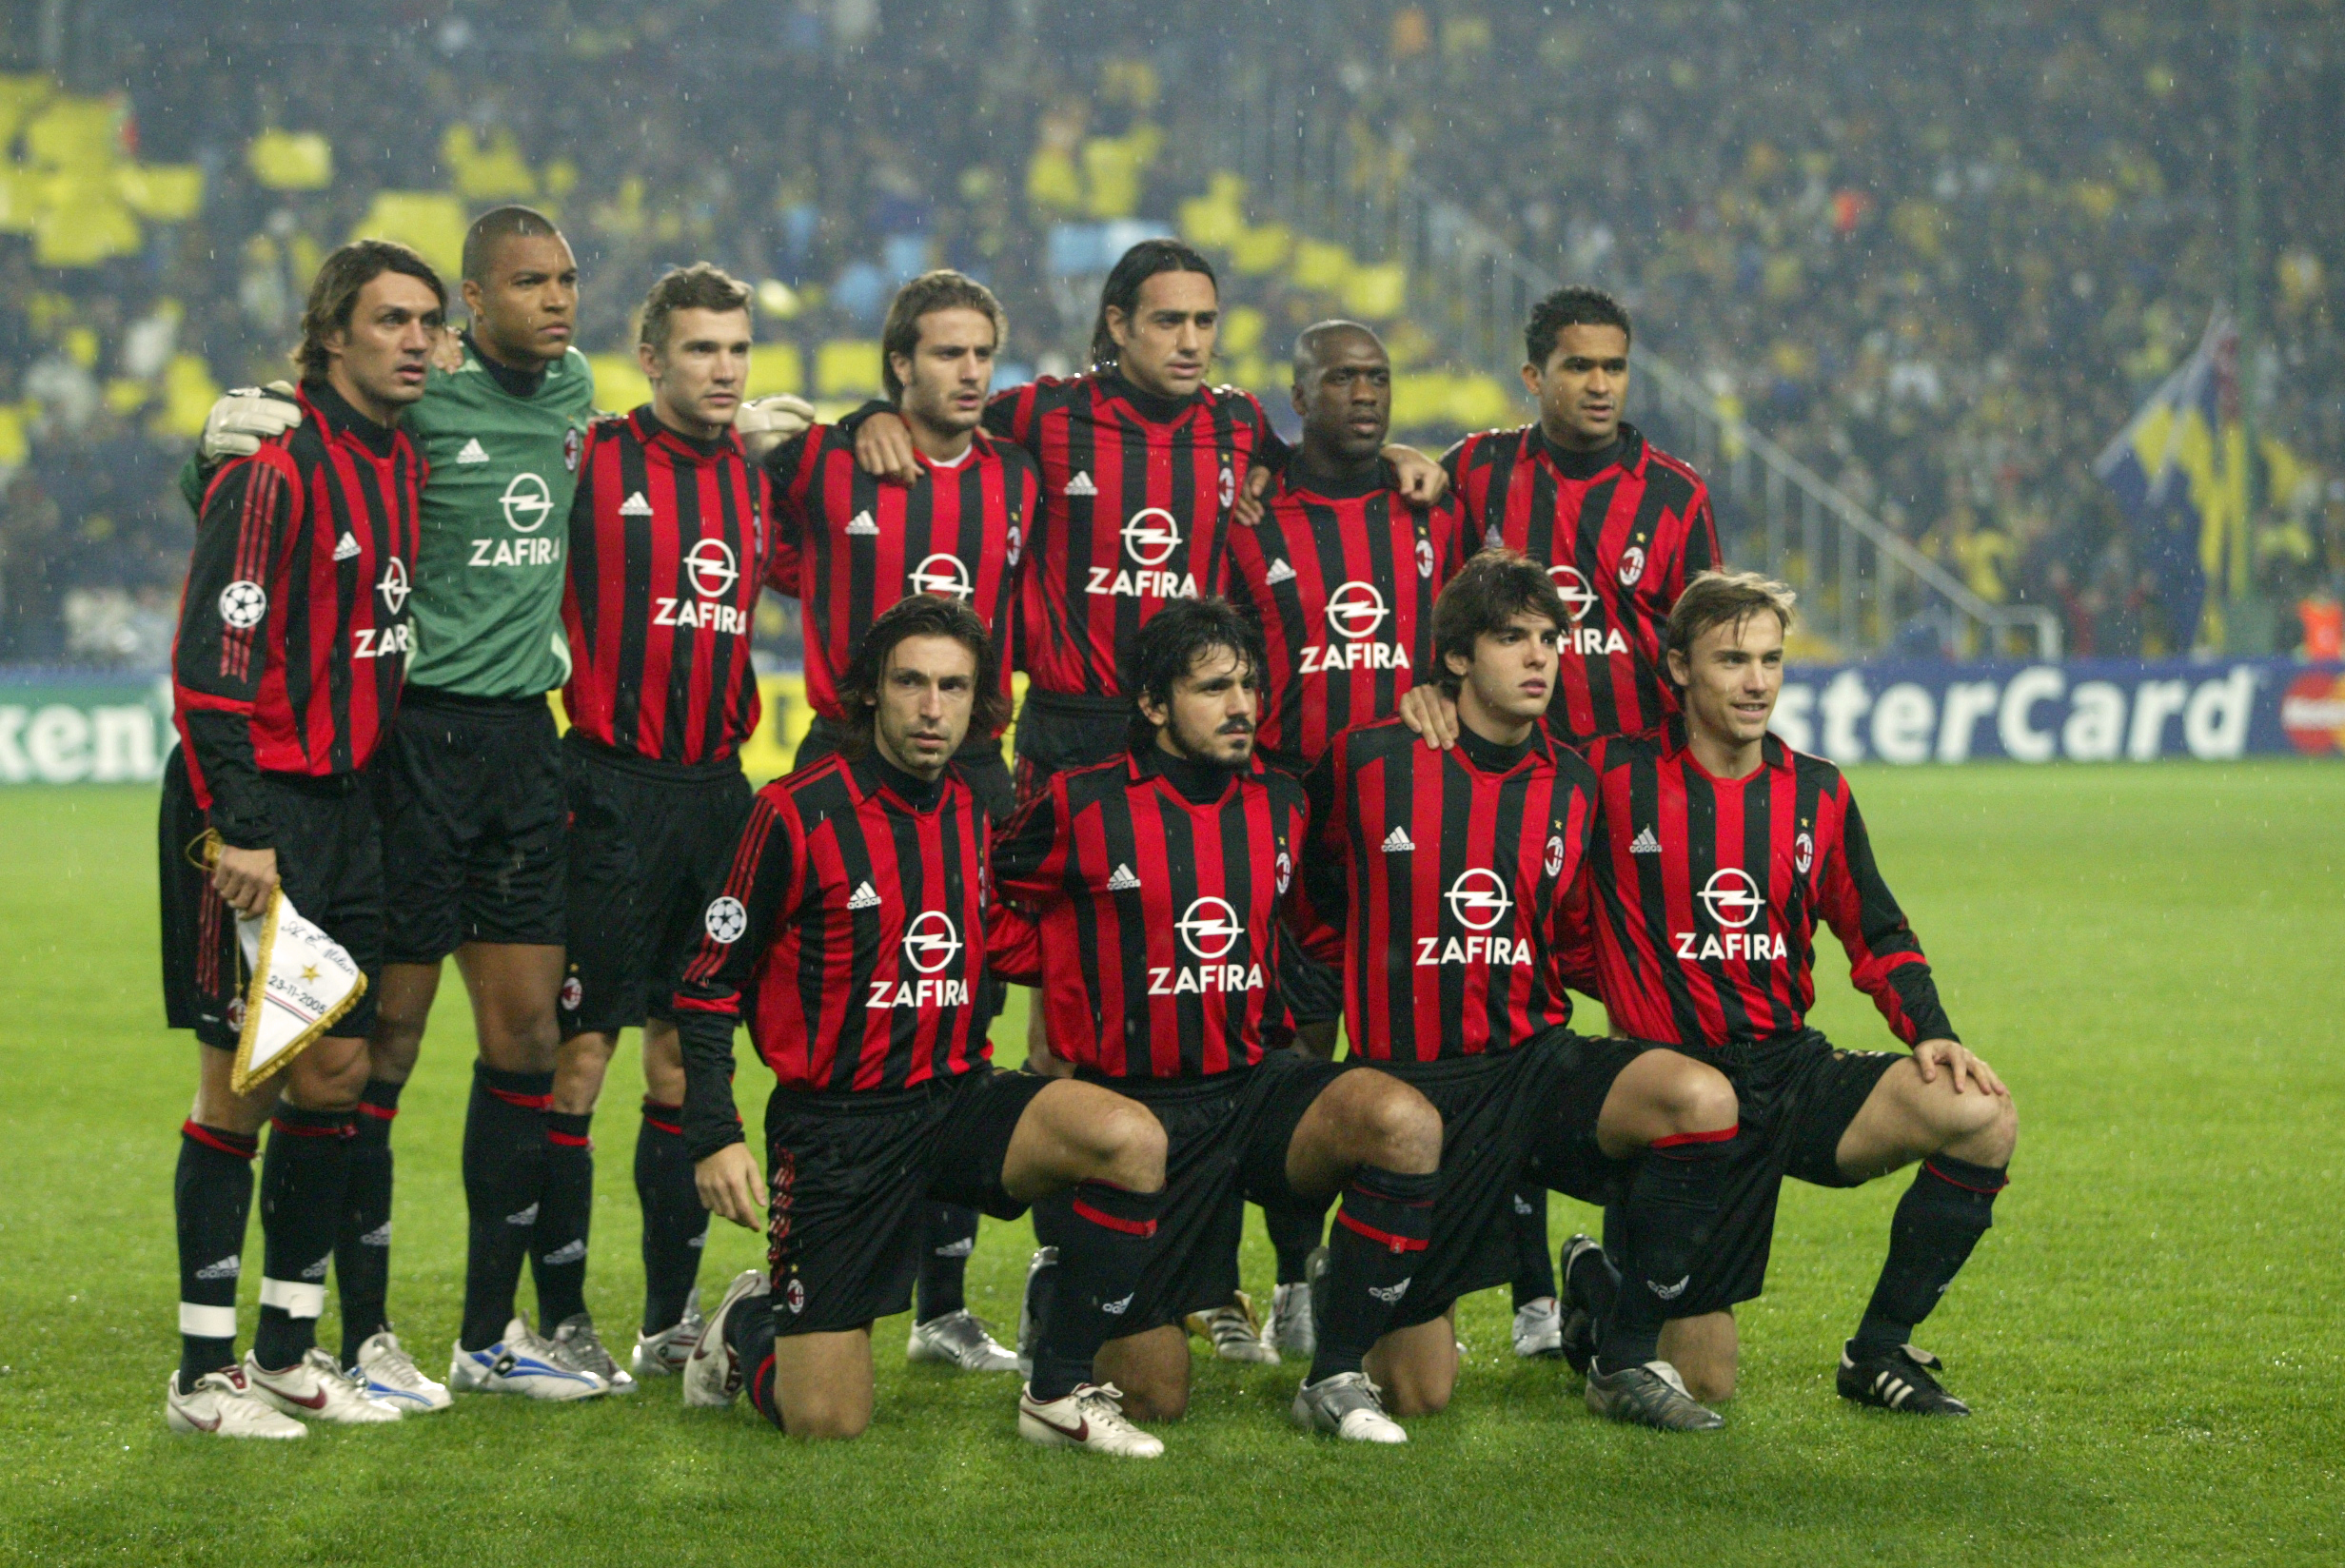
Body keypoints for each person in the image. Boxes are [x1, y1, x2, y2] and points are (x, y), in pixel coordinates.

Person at [850, 239, 1433, 1361]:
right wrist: (866, 417)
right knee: (1045, 1024)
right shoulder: (1045, 414)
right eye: (1167, 320)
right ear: (1115, 325)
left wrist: (1397, 456)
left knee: (1206, 1015)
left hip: (1191, 741)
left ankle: (1212, 1276)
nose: (1190, 341)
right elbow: (939, 417)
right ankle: (987, 1289)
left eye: (1204, 321)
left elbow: (1323, 461)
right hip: (1071, 734)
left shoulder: (1235, 427)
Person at [193, 206, 607, 1400]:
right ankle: (359, 1332)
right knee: (380, 1049)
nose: (556, 300)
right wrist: (207, 448)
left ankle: (487, 1335)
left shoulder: (577, 391)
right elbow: (275, 477)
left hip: (524, 742)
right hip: (410, 740)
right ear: (477, 300)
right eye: (529, 282)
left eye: (567, 279)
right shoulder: (417, 397)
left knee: (527, 1041)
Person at [673, 596, 1171, 1457]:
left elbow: (997, 937)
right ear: (871, 691)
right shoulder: (795, 812)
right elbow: (709, 981)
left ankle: (1057, 1389)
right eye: (911, 683)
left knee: (1130, 1139)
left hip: (955, 1101)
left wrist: (1131, 943)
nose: (932, 707)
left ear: (979, 702)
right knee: (827, 1422)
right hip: (838, 1130)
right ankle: (747, 1326)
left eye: (953, 687)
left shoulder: (974, 812)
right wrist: (715, 1133)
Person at [1292, 551, 1744, 1432]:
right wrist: (1352, 975)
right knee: (1419, 1393)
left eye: (1549, 639)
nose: (1539, 657)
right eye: (1511, 639)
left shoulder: (1573, 781)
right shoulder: (1368, 760)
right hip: (1418, 1087)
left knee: (1697, 1099)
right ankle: (1352, 1272)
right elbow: (1305, 892)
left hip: (1536, 1068)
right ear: (1457, 657)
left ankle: (1621, 1353)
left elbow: (1571, 933)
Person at [989, 598, 1447, 1441]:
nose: (1241, 706)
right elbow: (983, 897)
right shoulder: (1079, 803)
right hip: (1139, 1113)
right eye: (1212, 689)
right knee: (1153, 1398)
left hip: (1252, 1091)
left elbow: (1310, 924)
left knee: (1402, 1122)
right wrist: (1068, 967)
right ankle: (1065, 1285)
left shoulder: (1282, 800)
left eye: (1248, 686)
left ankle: (1335, 1372)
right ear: (1153, 703)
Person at [1568, 571, 2018, 1414]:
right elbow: (1545, 908)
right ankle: (1600, 1284)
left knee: (1981, 1115)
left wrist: (1932, 1030)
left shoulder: (1817, 789)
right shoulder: (1609, 777)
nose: (1757, 682)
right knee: (1707, 1381)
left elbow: (1876, 931)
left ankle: (1876, 1352)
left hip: (1786, 1067)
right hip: (1678, 1091)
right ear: (1679, 668)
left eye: (1771, 660)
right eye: (1732, 660)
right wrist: (1630, 983)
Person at [1402, 284, 1722, 1360]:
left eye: (1614, 367)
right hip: (1504, 794)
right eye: (1578, 366)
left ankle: (1618, 1279)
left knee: (1646, 1032)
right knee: (1507, 1028)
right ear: (1533, 375)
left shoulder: (1674, 494)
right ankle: (1532, 1294)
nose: (1598, 385)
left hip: (1627, 808)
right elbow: (1434, 598)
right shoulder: (1477, 473)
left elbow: (1698, 648)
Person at [161, 240, 441, 1436]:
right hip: (258, 816)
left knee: (334, 1076)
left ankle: (284, 1350)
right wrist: (241, 826)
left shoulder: (402, 459)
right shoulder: (272, 465)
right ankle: (199, 1374)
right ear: (330, 334)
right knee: (242, 1086)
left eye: (429, 320)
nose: (416, 340)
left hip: (348, 810)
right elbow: (209, 667)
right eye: (390, 320)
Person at [760, 272, 1042, 1373]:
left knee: (961, 1013)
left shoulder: (1015, 477)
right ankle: (801, 1264)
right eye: (945, 354)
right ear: (898, 366)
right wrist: (847, 424)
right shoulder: (833, 460)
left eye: (982, 354)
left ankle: (943, 1306)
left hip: (974, 769)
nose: (969, 373)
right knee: (843, 1020)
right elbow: (740, 450)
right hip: (845, 753)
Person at [1214, 319, 1468, 1356]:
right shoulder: (1248, 519)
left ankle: (1430, 1275)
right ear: (1298, 393)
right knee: (1293, 1053)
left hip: (1408, 821)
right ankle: (1288, 1278)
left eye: (1378, 378)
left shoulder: (1430, 510)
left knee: (1428, 1050)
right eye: (1341, 379)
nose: (1364, 395)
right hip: (1289, 823)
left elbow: (1477, 636)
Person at [539, 265, 772, 1387]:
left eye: (736, 348)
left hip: (715, 795)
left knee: (681, 1053)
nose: (722, 369)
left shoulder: (757, 477)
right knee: (579, 1055)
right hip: (610, 789)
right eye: (699, 349)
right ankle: (557, 1317)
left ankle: (669, 1317)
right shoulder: (591, 455)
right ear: (650, 359)